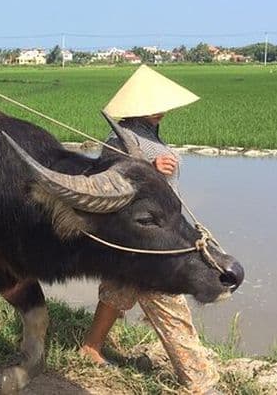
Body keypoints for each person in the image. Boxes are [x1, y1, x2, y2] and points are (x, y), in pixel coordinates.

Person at [80, 65, 221, 395]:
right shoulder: (122, 137)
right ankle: (198, 381)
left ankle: (91, 347)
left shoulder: (150, 134)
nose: (162, 108)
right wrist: (151, 169)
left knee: (118, 290)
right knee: (171, 304)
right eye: (155, 102)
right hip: (145, 235)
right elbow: (108, 179)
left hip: (150, 230)